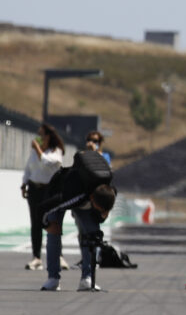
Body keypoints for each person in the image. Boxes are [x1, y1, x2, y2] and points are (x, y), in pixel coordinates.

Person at [39, 150, 117, 292]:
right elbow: (41, 210)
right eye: (99, 209)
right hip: (59, 190)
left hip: (84, 194)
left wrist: (102, 214)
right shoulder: (70, 196)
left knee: (93, 235)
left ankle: (87, 279)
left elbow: (100, 214)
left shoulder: (109, 192)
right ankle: (53, 278)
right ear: (92, 199)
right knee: (54, 233)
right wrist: (47, 225)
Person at [20, 124, 69, 271]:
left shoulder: (56, 151)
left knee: (52, 221)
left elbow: (48, 162)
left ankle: (59, 256)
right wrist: (24, 184)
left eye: (41, 135)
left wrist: (38, 149)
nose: (38, 138)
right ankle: (36, 257)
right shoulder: (35, 152)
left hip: (49, 190)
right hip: (35, 189)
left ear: (48, 136)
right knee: (35, 222)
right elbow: (29, 168)